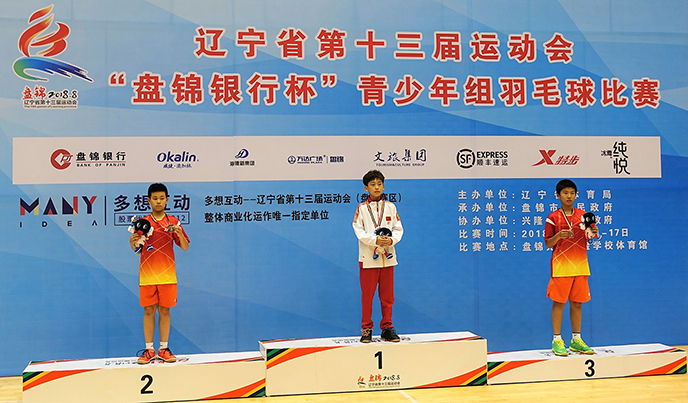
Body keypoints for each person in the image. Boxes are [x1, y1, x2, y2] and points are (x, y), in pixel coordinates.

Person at [130, 183, 189, 364]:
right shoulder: (142, 223)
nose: (158, 201)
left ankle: (163, 348)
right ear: (148, 201)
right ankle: (149, 350)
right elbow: (136, 249)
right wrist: (133, 241)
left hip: (167, 275)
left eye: (161, 198)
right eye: (155, 198)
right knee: (149, 310)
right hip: (147, 275)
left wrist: (179, 234)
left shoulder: (173, 222)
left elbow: (185, 247)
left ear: (167, 200)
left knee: (164, 310)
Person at [544, 179, 598, 356]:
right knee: (559, 302)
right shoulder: (553, 218)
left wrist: (594, 233)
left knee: (577, 303)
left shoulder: (583, 216)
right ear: (558, 195)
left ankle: (576, 339)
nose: (569, 196)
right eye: (565, 193)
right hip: (561, 266)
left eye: (572, 193)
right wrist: (559, 235)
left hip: (580, 265)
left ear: (576, 195)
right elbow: (548, 243)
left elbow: (590, 237)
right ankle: (557, 340)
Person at [353, 170, 403, 343]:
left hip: (388, 258)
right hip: (368, 259)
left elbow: (398, 228)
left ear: (383, 186)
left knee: (387, 297)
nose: (376, 187)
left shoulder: (391, 207)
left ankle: (387, 327)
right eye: (372, 184)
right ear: (366, 188)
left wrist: (391, 240)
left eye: (379, 184)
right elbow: (358, 231)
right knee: (367, 297)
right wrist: (375, 240)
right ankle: (366, 328)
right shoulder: (361, 209)